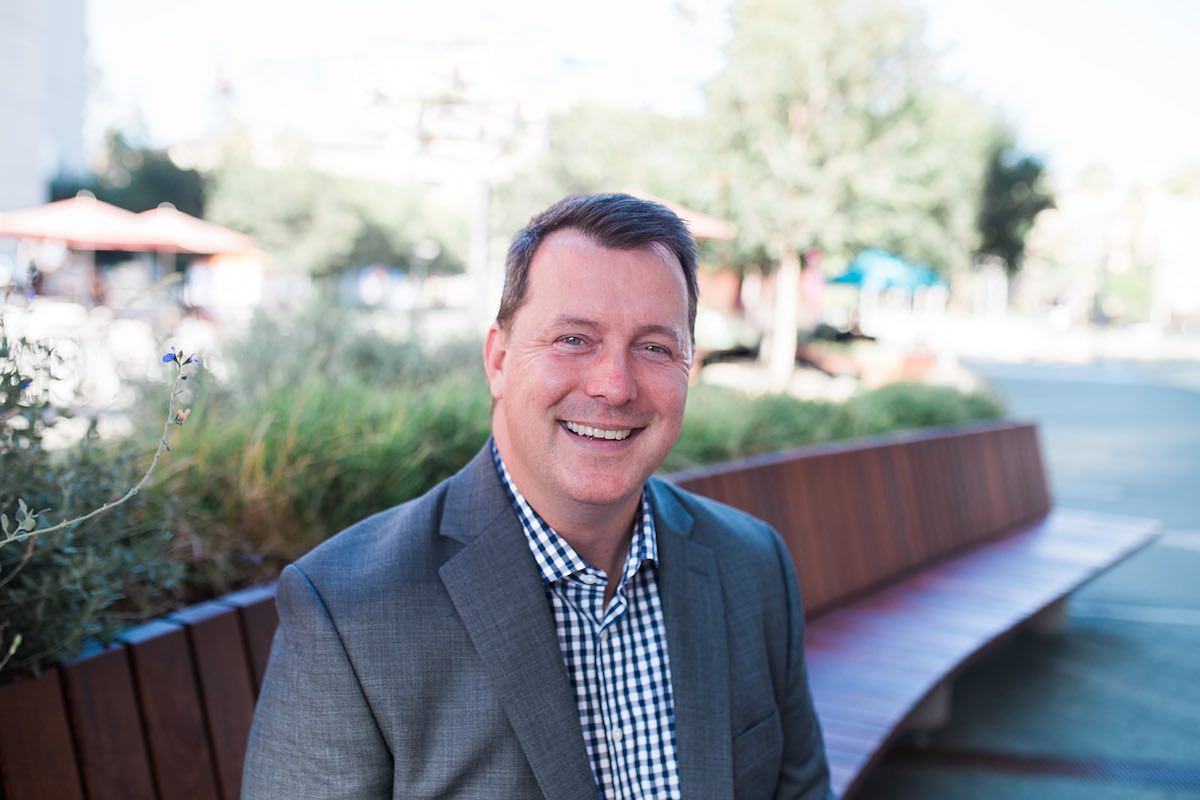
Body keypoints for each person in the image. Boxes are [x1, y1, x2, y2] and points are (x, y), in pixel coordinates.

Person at [242, 193, 832, 799]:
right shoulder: (351, 611)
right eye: (574, 339)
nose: (614, 386)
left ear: (688, 367)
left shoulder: (752, 565)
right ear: (499, 361)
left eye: (654, 347)